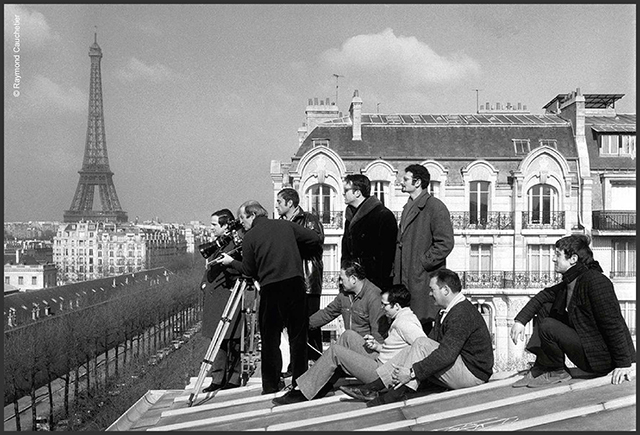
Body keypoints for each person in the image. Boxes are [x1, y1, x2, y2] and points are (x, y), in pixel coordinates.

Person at [340, 268, 494, 407]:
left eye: (432, 289)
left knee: (419, 344)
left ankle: (391, 395)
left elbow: (446, 354)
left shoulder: (461, 314)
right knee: (413, 347)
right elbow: (432, 345)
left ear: (445, 290)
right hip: (461, 368)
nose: (429, 294)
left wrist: (412, 372)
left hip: (473, 375)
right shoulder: (446, 311)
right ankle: (373, 388)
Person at [217, 200, 322, 394]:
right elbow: (314, 239)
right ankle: (301, 384)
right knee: (298, 337)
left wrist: (231, 262)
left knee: (270, 339)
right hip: (295, 285)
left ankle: (271, 385)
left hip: (271, 288)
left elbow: (248, 270)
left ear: (252, 215)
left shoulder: (250, 237)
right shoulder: (286, 225)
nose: (242, 223)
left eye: (242, 218)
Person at [510, 234, 636, 388]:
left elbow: (613, 324)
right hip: (589, 348)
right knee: (546, 307)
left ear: (573, 259)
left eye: (557, 255)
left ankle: (557, 371)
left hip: (601, 359)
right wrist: (520, 321)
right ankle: (544, 367)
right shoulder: (571, 281)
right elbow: (543, 296)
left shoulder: (595, 281)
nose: (554, 259)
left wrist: (625, 363)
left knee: (548, 325)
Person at [272, 284, 426, 405]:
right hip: (383, 361)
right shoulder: (401, 318)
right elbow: (400, 349)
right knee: (348, 336)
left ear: (397, 306)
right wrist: (378, 347)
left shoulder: (405, 323)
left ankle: (304, 391)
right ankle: (321, 383)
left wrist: (410, 374)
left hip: (381, 374)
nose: (382, 308)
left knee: (335, 351)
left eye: (385, 305)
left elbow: (423, 347)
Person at [394, 164, 454, 334]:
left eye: (405, 179)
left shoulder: (435, 206)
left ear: (417, 182)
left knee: (423, 330)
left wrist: (421, 264)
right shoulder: (408, 207)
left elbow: (445, 243)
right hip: (407, 281)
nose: (401, 182)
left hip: (422, 281)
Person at [275, 188, 325, 369]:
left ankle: (315, 362)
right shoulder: (280, 223)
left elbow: (316, 244)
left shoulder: (309, 220)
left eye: (279, 202)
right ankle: (297, 364)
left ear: (290, 203)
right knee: (293, 326)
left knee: (310, 324)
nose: (277, 205)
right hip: (289, 280)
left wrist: (290, 245)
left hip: (307, 280)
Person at [199, 209, 243, 393]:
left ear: (226, 226)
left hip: (227, 300)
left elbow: (240, 270)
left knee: (231, 341)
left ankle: (231, 378)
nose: (211, 228)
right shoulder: (217, 245)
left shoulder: (235, 246)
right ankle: (218, 378)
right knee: (217, 341)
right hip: (215, 300)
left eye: (214, 224)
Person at [309, 259, 387, 344]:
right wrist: (303, 325)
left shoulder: (374, 296)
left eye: (342, 279)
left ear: (353, 279)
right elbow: (327, 313)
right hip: (350, 344)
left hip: (367, 348)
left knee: (334, 350)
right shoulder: (344, 295)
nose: (340, 282)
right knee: (333, 350)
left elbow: (379, 332)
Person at [342, 174, 398, 291]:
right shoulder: (349, 217)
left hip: (373, 283)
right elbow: (346, 251)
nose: (343, 193)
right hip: (352, 281)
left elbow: (387, 256)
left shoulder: (383, 215)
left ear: (357, 192)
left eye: (346, 190)